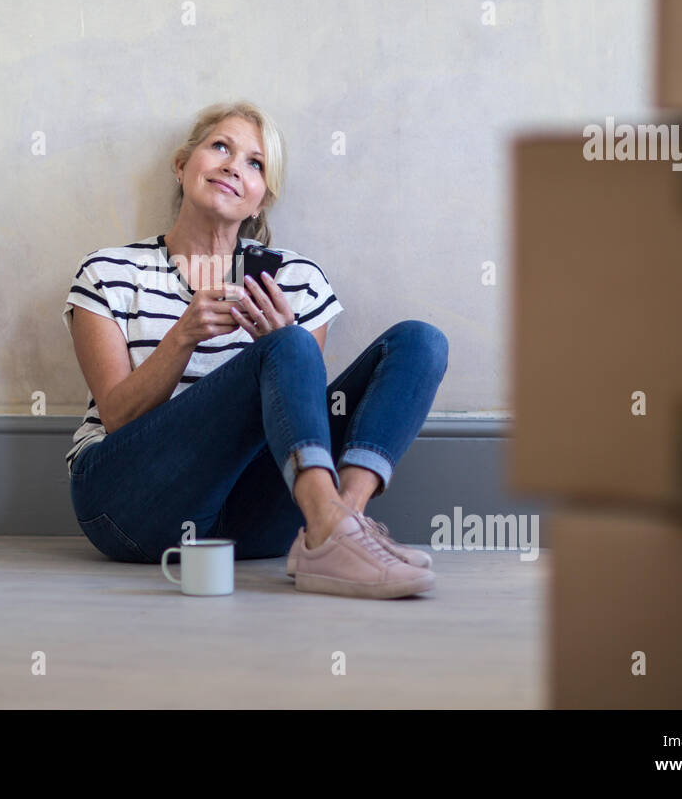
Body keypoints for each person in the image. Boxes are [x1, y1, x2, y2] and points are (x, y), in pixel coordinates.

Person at [62, 100, 449, 599]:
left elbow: (302, 421)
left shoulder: (296, 281)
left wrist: (281, 346)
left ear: (261, 199)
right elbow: (117, 417)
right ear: (182, 166)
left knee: (420, 342)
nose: (232, 166)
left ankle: (336, 527)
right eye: (220, 146)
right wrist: (183, 335)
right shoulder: (109, 272)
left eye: (255, 163)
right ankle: (334, 529)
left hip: (255, 514)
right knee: (284, 347)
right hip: (130, 504)